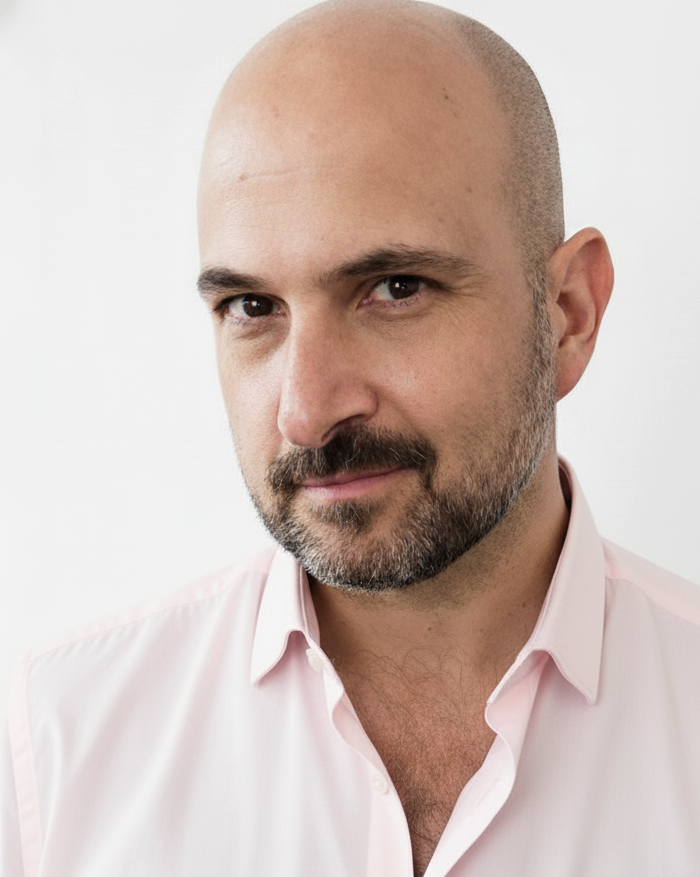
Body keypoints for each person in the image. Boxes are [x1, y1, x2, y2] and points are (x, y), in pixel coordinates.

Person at [3, 1, 700, 874]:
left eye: (395, 288)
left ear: (568, 315)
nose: (306, 412)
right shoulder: (49, 756)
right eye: (252, 308)